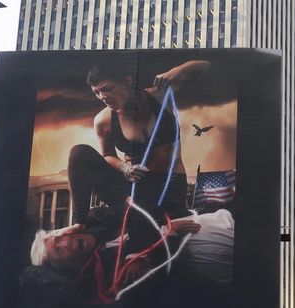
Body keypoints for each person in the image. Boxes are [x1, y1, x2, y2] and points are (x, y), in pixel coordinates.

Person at [67, 58, 210, 222]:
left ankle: (136, 217)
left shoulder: (161, 95)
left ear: (127, 81)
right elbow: (107, 155)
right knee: (79, 153)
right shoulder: (103, 120)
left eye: (107, 89)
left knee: (146, 222)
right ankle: (78, 223)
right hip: (132, 187)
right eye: (96, 93)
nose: (102, 96)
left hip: (168, 187)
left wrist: (179, 70)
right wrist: (124, 167)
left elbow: (205, 67)